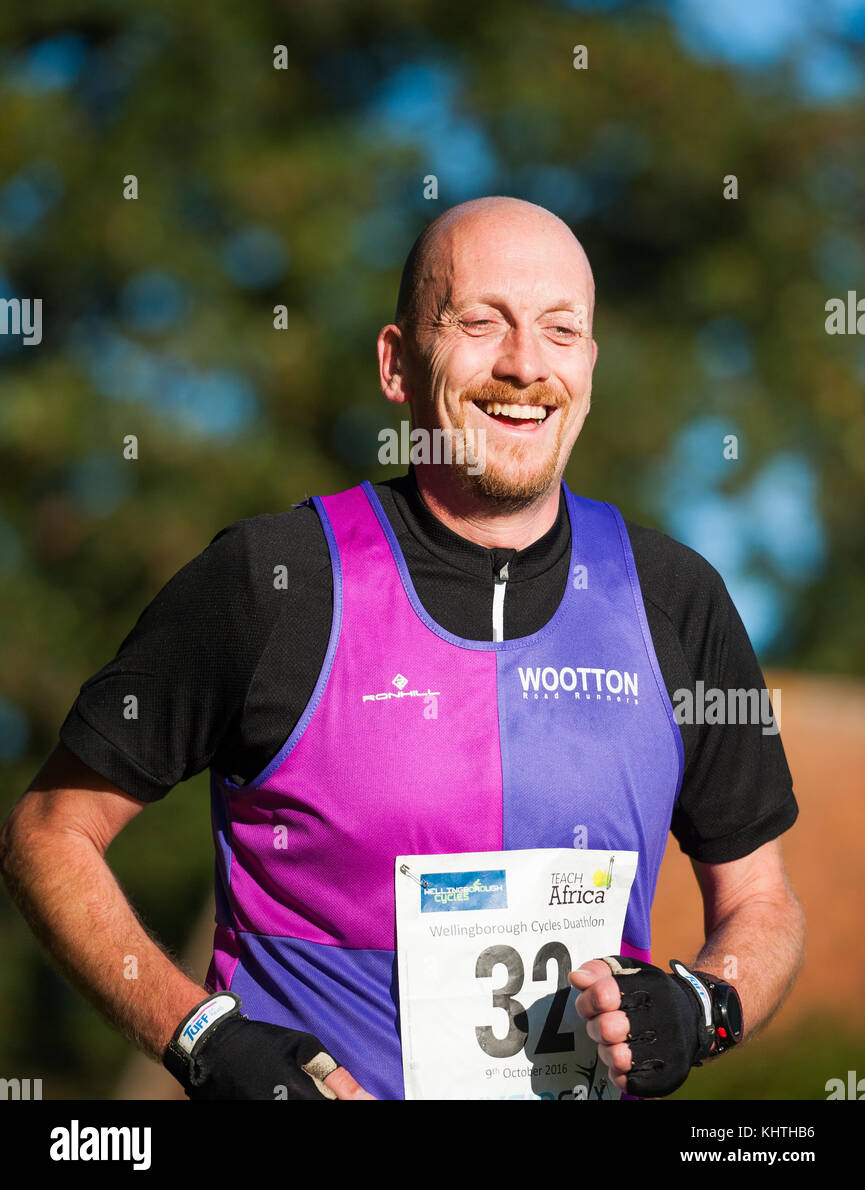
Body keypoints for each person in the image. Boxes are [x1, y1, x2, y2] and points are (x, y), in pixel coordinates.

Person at [0, 196, 803, 1102]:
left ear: (588, 363)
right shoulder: (272, 580)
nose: (523, 364)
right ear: (396, 364)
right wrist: (201, 1039)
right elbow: (48, 833)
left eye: (560, 330)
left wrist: (704, 1006)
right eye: (479, 321)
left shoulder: (675, 599)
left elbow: (760, 904)